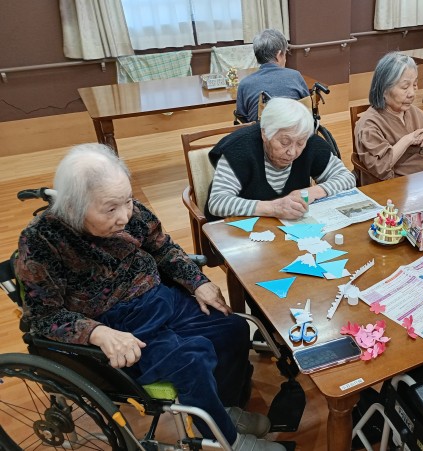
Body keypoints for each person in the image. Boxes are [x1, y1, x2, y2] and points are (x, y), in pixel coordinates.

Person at [15, 144, 284, 451]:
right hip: (115, 323)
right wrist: (98, 333)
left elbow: (163, 248)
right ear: (74, 206)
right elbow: (43, 317)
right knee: (191, 360)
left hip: (159, 299)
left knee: (231, 328)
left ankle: (222, 410)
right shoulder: (42, 241)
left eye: (127, 201)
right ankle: (227, 440)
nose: (124, 216)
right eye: (111, 209)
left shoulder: (130, 211)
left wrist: (197, 282)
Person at [207, 97, 355, 221]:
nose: (292, 152)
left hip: (289, 230)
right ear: (265, 133)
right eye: (284, 142)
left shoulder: (311, 144)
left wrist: (312, 192)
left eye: (300, 143)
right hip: (240, 231)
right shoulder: (239, 149)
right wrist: (274, 208)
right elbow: (217, 202)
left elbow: (347, 178)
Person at [353, 52, 423, 186]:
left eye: (414, 85)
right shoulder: (369, 125)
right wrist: (408, 139)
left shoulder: (414, 113)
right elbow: (380, 168)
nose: (412, 93)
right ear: (384, 89)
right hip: (398, 188)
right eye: (405, 87)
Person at [234, 28, 310, 123]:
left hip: (259, 131)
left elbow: (242, 116)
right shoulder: (295, 76)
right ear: (279, 55)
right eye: (285, 54)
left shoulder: (245, 84)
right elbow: (307, 106)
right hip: (294, 129)